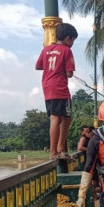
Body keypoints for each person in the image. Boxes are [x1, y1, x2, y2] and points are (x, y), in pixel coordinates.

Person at [35, 23, 78, 159]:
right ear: (68, 38)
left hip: (47, 88)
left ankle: (58, 148)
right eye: (72, 40)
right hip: (60, 88)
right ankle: (55, 150)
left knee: (59, 118)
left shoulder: (46, 49)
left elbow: (38, 66)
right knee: (63, 118)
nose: (72, 44)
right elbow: (69, 73)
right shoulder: (66, 51)